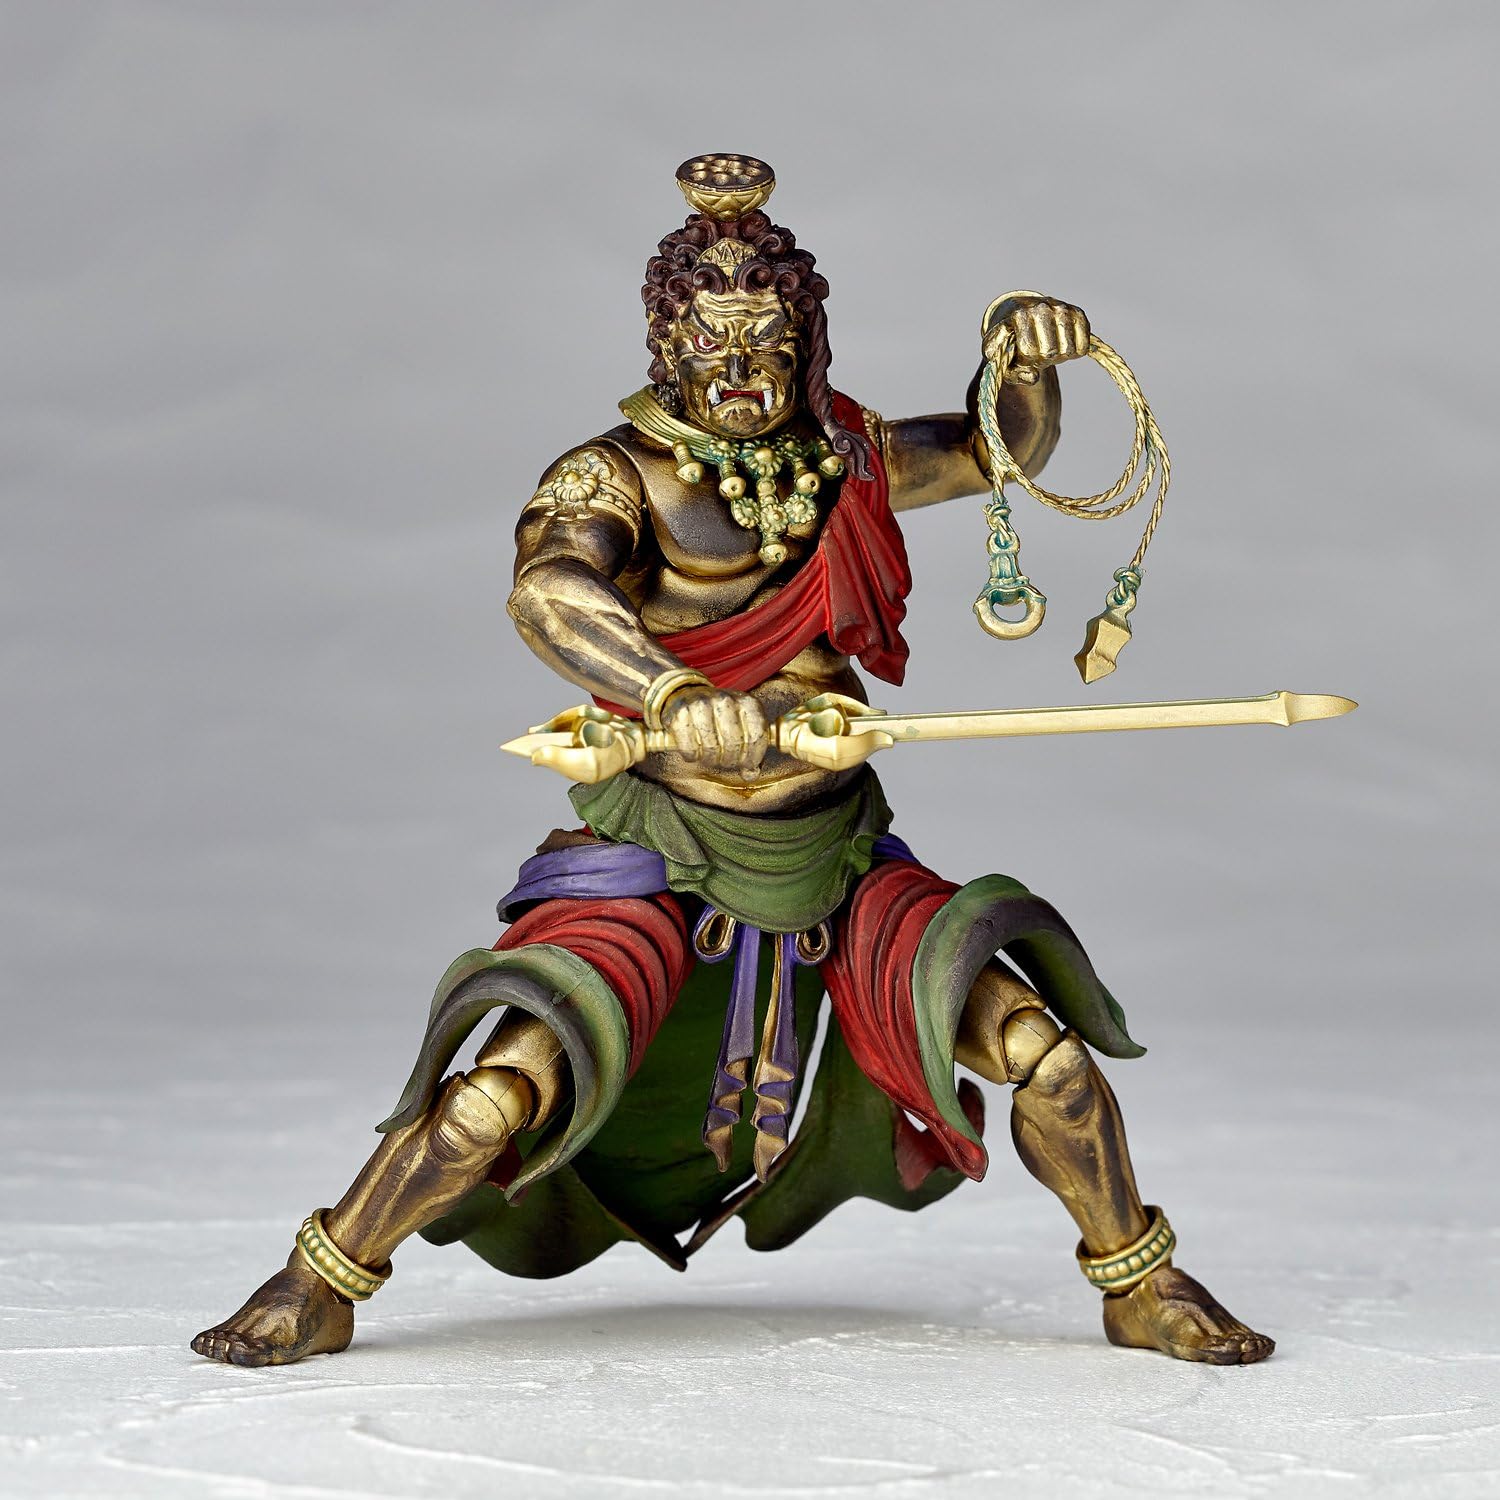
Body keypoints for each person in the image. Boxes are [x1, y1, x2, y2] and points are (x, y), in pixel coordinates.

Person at [192, 154, 1272, 1368]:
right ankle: (321, 1279)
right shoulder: (610, 475)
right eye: (716, 343)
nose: (745, 370)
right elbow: (550, 588)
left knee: (1049, 1061)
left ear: (806, 342)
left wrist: (1021, 359)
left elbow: (999, 451)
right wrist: (670, 690)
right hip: (664, 845)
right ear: (668, 341)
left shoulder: (842, 454)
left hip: (833, 847)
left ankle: (1141, 1285)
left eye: (770, 343)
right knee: (492, 1098)